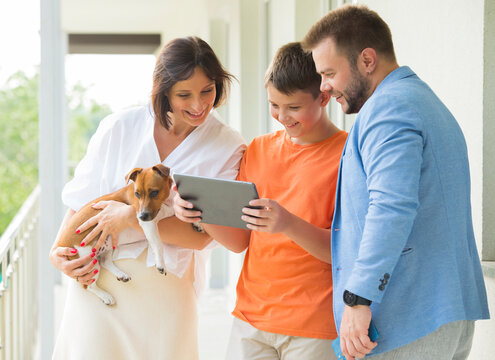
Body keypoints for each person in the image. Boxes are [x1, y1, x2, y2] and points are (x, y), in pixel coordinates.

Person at [301, 4, 490, 360]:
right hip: (444, 314)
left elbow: (391, 206)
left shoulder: (388, 110)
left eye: (328, 73)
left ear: (367, 60)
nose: (324, 88)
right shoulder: (424, 101)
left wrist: (359, 297)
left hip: (407, 319)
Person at [49, 36, 246, 360]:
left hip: (165, 286)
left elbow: (202, 239)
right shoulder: (119, 127)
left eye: (207, 91)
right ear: (163, 90)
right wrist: (58, 252)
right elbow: (80, 202)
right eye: (184, 94)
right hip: (99, 281)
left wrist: (131, 217)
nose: (198, 105)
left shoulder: (227, 146)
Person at [174, 42, 347, 360]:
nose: (282, 117)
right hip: (250, 322)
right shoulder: (257, 149)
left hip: (314, 327)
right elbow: (240, 241)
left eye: (293, 107)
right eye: (274, 105)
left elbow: (346, 251)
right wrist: (200, 213)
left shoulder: (348, 156)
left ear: (324, 96)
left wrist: (287, 223)